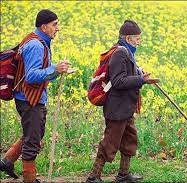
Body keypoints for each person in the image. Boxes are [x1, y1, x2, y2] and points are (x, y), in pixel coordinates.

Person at [0, 9, 69, 183]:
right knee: (32, 141)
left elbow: (35, 70)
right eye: (55, 25)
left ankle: (7, 161)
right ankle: (29, 179)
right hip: (30, 100)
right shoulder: (36, 45)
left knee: (34, 134)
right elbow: (31, 76)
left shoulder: (35, 40)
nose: (58, 28)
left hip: (29, 98)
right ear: (44, 27)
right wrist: (55, 69)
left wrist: (55, 70)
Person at [85, 20, 159, 183]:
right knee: (110, 142)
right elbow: (118, 81)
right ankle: (93, 177)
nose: (139, 41)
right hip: (117, 108)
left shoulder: (127, 52)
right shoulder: (120, 53)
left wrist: (140, 73)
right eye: (137, 38)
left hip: (125, 108)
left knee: (129, 139)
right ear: (128, 38)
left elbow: (125, 74)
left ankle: (123, 175)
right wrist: (140, 80)